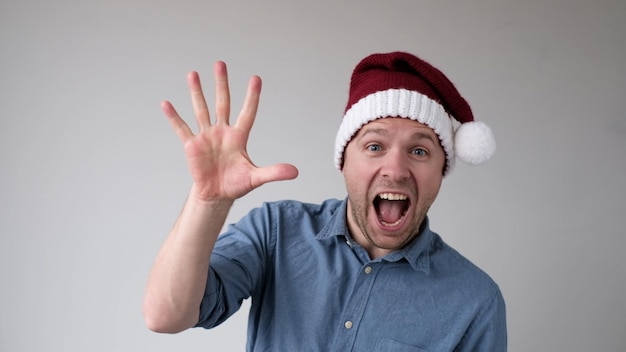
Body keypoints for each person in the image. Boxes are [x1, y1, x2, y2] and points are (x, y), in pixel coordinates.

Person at [143, 51, 507, 351]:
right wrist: (208, 201)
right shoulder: (276, 231)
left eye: (419, 150)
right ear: (344, 160)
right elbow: (166, 315)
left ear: (442, 169)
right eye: (375, 146)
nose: (395, 169)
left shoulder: (475, 300)